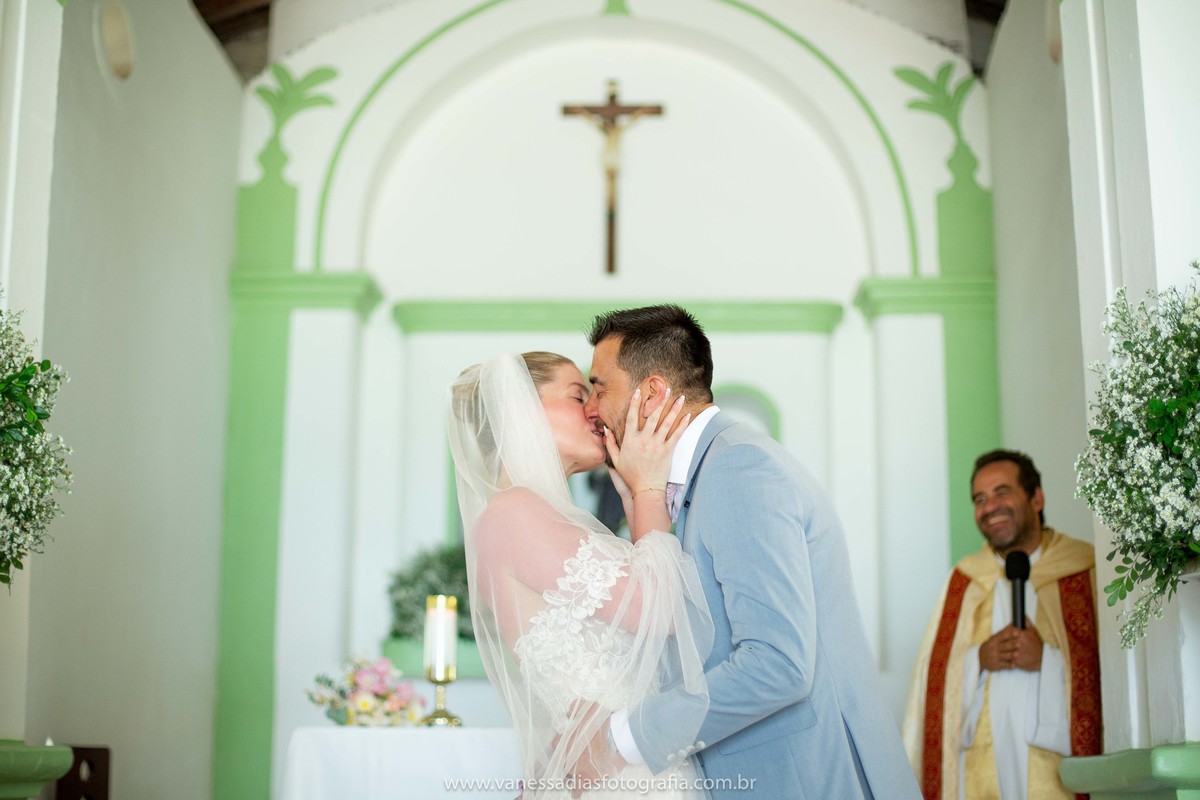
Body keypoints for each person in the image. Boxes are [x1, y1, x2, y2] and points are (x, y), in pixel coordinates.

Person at [574, 304, 919, 799]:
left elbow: (778, 662)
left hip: (808, 778)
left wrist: (622, 739)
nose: (590, 408)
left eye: (600, 387)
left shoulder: (739, 469)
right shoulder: (703, 474)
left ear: (650, 393)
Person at [448, 351, 714, 799]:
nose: (595, 409)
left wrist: (634, 498)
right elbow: (661, 611)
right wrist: (650, 486)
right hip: (616, 775)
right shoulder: (514, 513)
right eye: (578, 396)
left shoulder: (535, 514)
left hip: (623, 763)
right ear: (520, 410)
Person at [902, 449, 1102, 800]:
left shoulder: (1084, 569)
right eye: (980, 498)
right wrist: (979, 657)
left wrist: (1046, 660)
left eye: (1002, 492)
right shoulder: (965, 580)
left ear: (1036, 498)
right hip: (980, 774)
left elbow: (1108, 675)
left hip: (1058, 775)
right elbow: (930, 682)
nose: (989, 506)